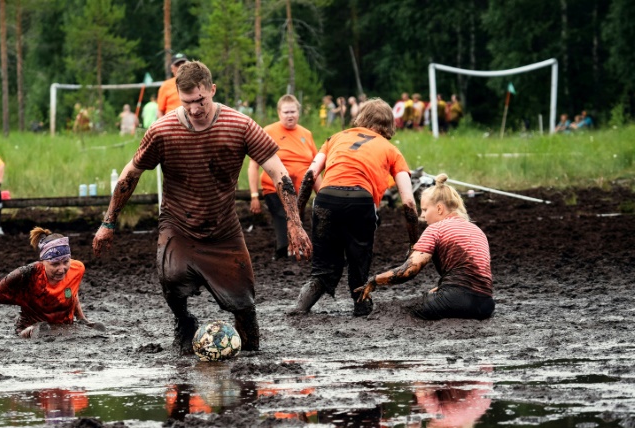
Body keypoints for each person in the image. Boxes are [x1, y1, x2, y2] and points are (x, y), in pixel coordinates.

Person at [93, 61, 312, 354]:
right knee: (170, 279)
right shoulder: (162, 129)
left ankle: (248, 348)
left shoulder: (240, 125)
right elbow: (130, 174)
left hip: (223, 229)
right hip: (178, 224)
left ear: (212, 90)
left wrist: (294, 222)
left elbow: (279, 173)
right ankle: (184, 322)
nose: (195, 109)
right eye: (187, 102)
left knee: (245, 307)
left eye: (200, 100)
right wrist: (108, 223)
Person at [292, 98, 419, 317]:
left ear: (361, 118)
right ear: (389, 124)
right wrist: (413, 242)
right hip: (360, 203)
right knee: (359, 258)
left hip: (326, 200)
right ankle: (361, 305)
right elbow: (408, 203)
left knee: (321, 269)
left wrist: (296, 221)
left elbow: (309, 177)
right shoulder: (391, 150)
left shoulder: (335, 138)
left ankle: (299, 308)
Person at [354, 173, 494, 320]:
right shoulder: (477, 230)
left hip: (456, 299)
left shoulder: (436, 228)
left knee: (394, 310)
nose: (422, 216)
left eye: (425, 210)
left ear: (439, 209)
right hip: (485, 305)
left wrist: (375, 280)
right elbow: (471, 274)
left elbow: (408, 271)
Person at [0, 227, 100, 338]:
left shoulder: (77, 269)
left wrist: (82, 319)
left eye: (66, 262)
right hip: (31, 329)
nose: (62, 269)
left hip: (65, 329)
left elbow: (71, 291)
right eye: (55, 264)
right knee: (39, 330)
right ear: (43, 261)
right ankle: (30, 332)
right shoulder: (27, 274)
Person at [247, 94, 318, 260]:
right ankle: (283, 249)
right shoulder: (268, 131)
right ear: (279, 113)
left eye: (293, 111)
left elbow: (315, 167)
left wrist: (321, 193)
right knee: (282, 215)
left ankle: (295, 248)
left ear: (298, 113)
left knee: (296, 219)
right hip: (275, 188)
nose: (290, 115)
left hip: (301, 190)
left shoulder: (306, 134)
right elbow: (253, 165)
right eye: (286, 112)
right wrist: (254, 195)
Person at [156, 52, 189, 118]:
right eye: (177, 65)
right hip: (172, 122)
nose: (181, 67)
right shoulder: (166, 85)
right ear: (172, 68)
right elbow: (160, 111)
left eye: (183, 64)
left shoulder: (195, 82)